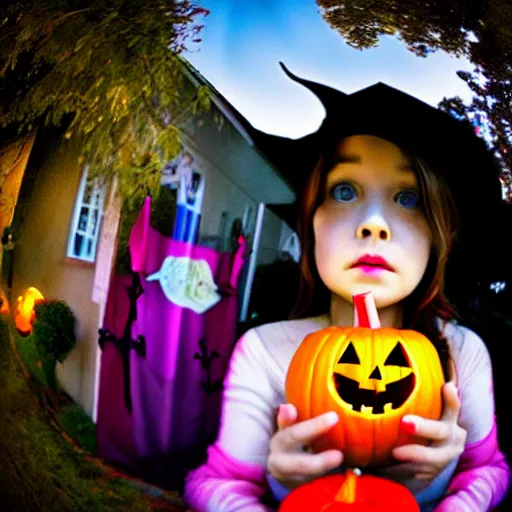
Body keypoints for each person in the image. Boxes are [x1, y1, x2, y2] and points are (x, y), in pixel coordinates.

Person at [183, 63, 511, 511]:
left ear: (439, 235)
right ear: (310, 221)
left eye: (407, 196)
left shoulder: (463, 354)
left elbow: (488, 470)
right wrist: (276, 487)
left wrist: (449, 495)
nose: (373, 224)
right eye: (343, 192)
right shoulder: (263, 351)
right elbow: (214, 483)